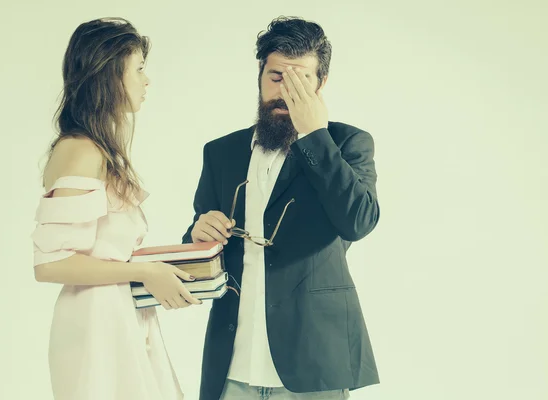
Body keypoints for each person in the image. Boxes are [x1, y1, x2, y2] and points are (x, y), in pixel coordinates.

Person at [182, 16, 381, 400]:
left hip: (313, 365)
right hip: (233, 364)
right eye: (276, 77)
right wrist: (198, 231)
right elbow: (197, 244)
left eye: (300, 80)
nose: (285, 91)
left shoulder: (348, 143)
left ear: (321, 84)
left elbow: (358, 222)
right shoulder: (221, 152)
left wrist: (315, 135)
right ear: (260, 73)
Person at [31, 17, 199, 400]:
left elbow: (104, 252)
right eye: (138, 68)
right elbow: (50, 264)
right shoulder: (81, 150)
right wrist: (145, 272)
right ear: (109, 75)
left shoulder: (97, 148)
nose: (147, 80)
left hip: (118, 316)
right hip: (96, 326)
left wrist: (163, 268)